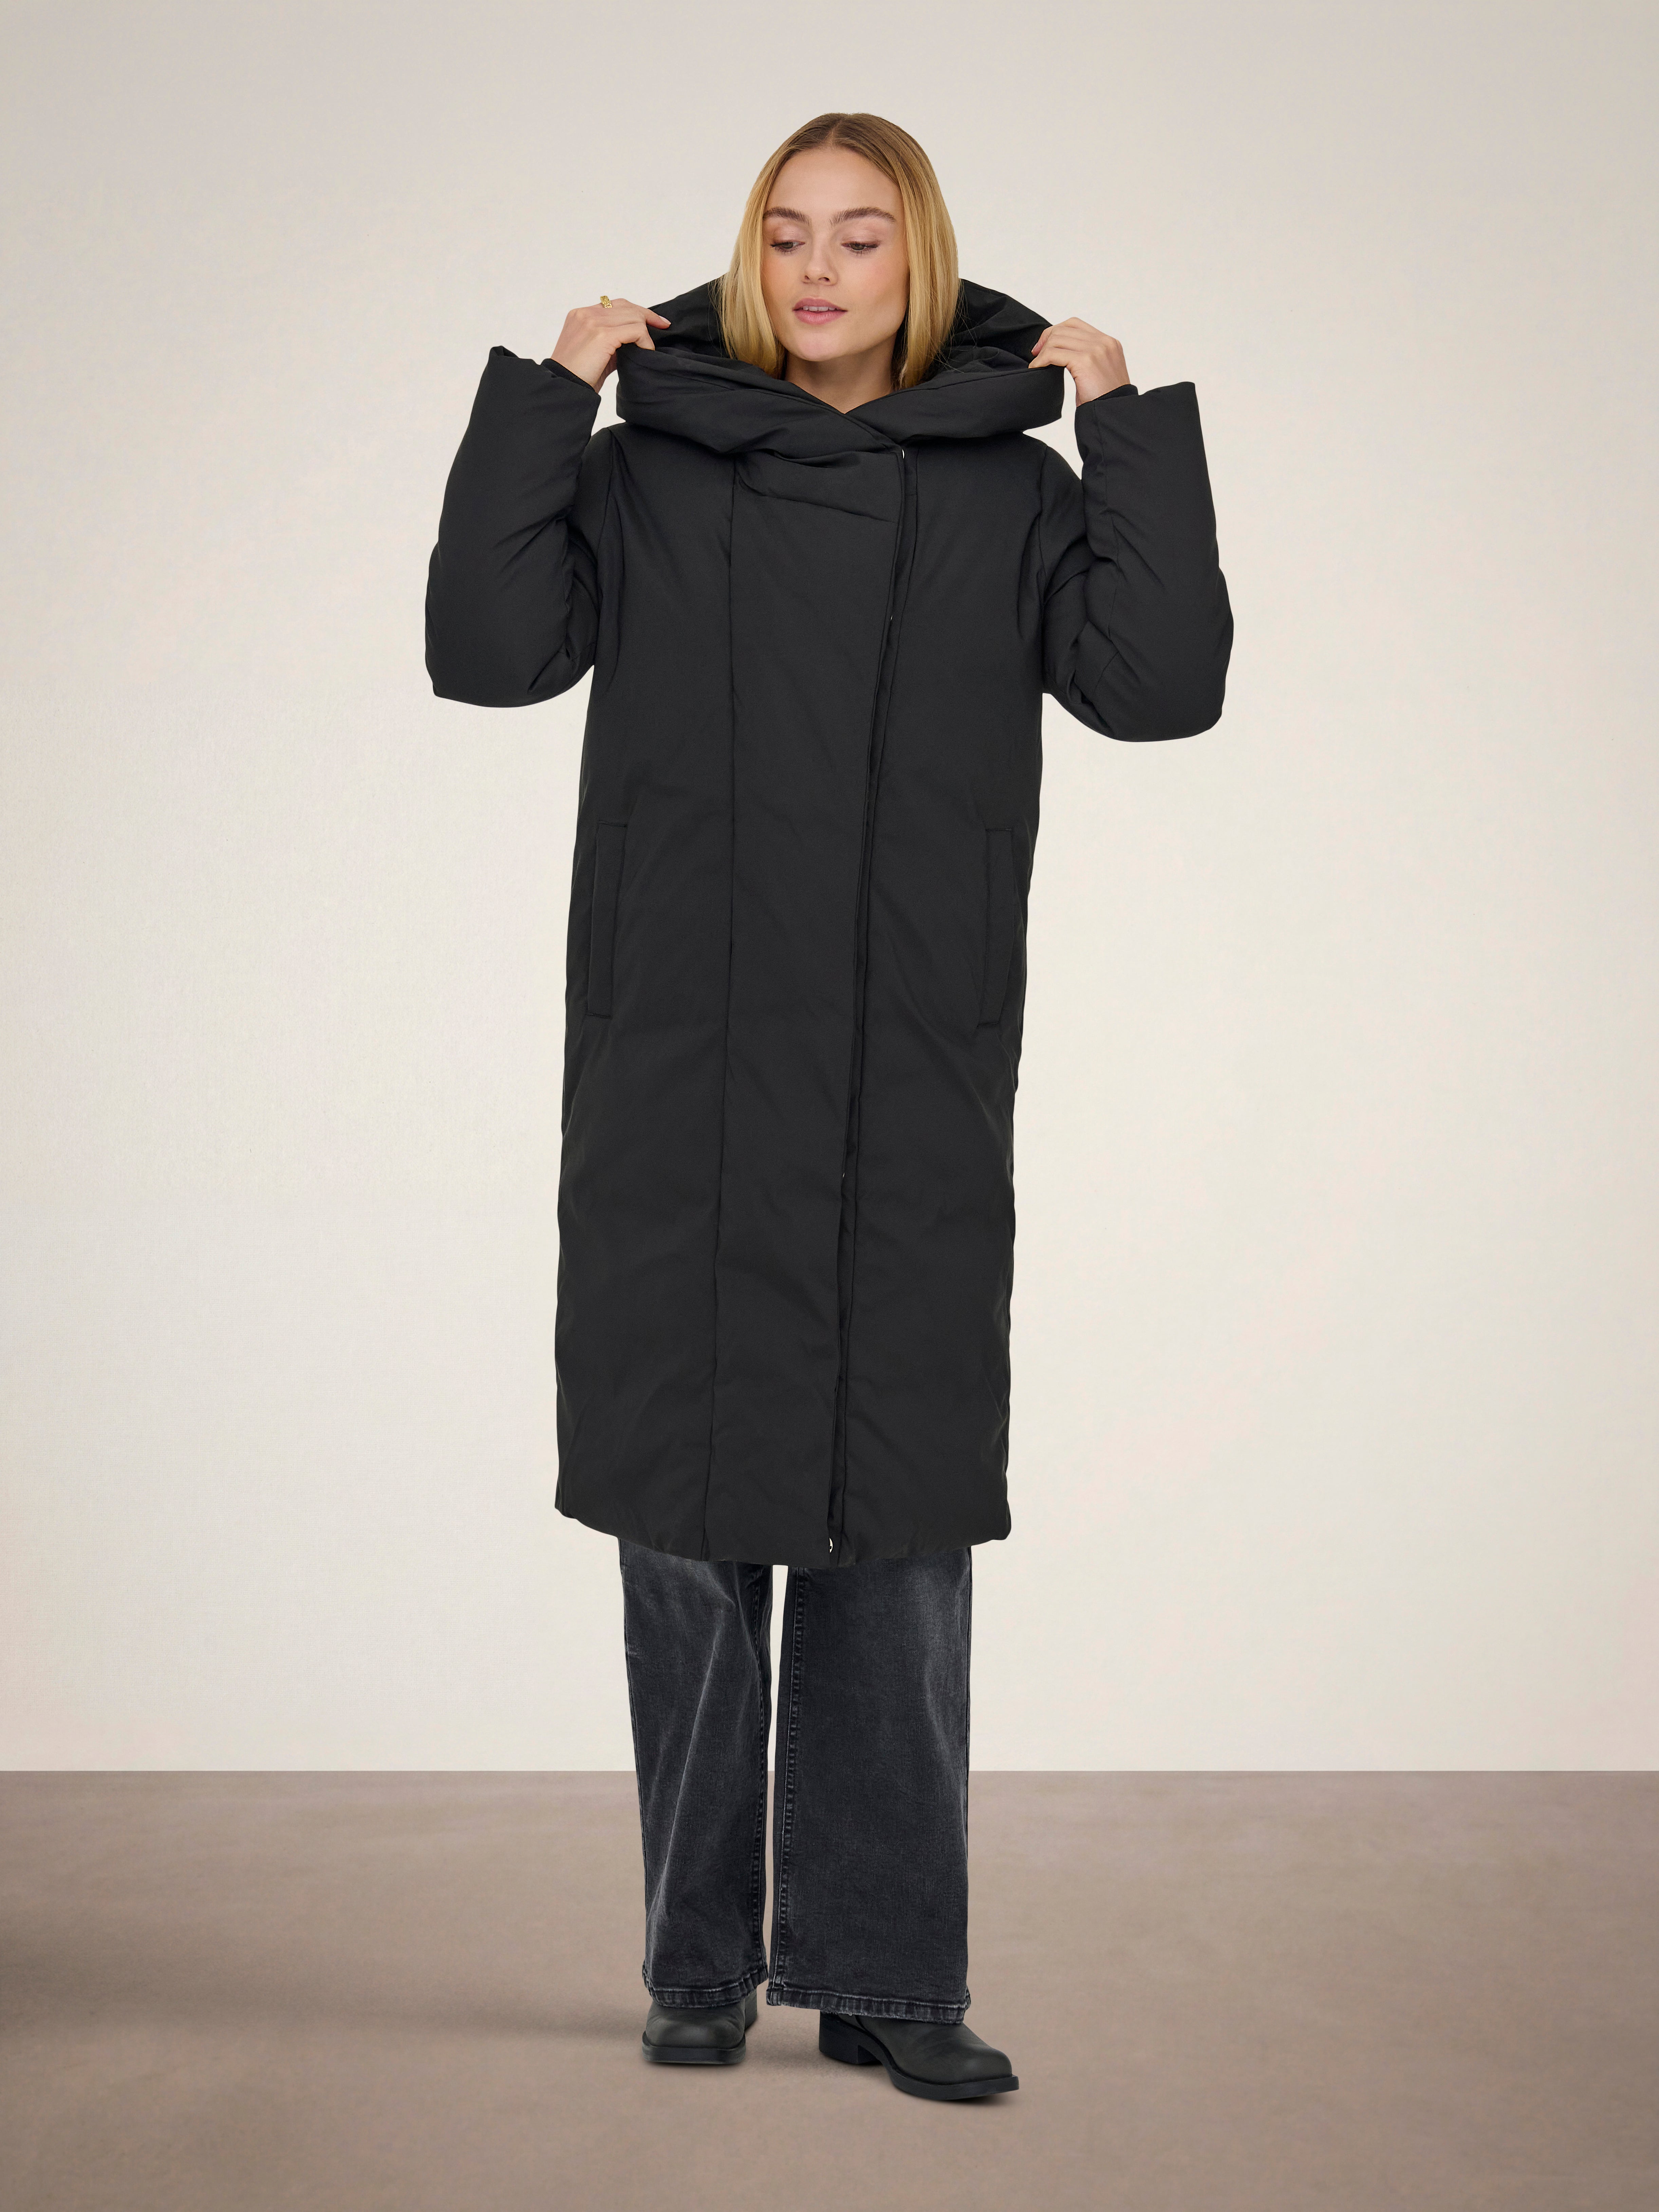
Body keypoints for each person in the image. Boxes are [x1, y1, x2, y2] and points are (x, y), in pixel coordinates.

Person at [425, 110, 1232, 2103]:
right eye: (784, 234)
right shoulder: (648, 469)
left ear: (920, 260)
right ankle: (698, 1963)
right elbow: (486, 652)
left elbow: (1159, 683)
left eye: (860, 238)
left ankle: (888, 1976)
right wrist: (545, 394)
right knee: (687, 1533)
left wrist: (1127, 429)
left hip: (908, 1074)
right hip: (681, 1073)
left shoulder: (1011, 491)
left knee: (897, 1532)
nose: (815, 272)